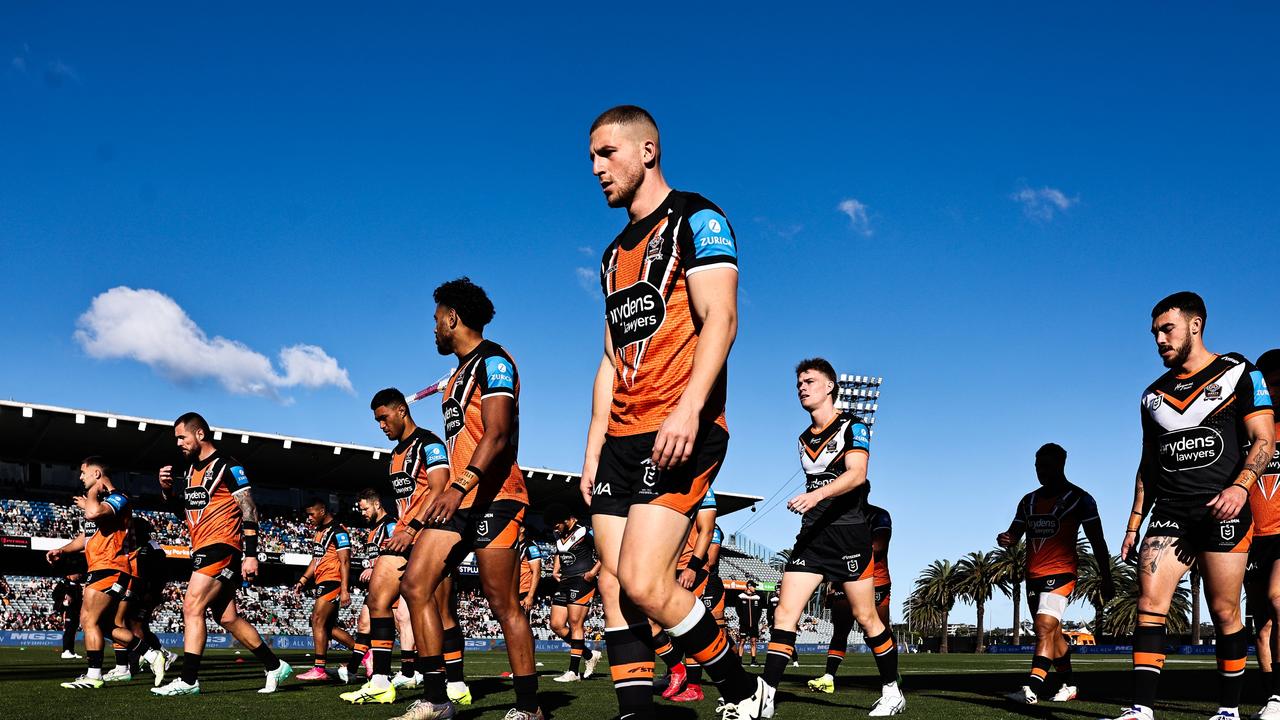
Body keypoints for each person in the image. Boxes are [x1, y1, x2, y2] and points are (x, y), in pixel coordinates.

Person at [582, 104, 765, 720]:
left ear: (648, 152)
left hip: (681, 428)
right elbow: (610, 361)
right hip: (621, 440)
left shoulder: (698, 218)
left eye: (608, 154)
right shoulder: (611, 255)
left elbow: (723, 320)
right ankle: (637, 710)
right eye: (592, 159)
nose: (597, 169)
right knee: (613, 582)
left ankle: (744, 689)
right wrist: (592, 451)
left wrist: (689, 410)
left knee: (641, 579)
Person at [1106, 292, 1274, 720]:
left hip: (1224, 511)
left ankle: (1228, 709)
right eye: (1155, 333)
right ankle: (1141, 708)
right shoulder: (1151, 397)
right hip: (1169, 513)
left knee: (1224, 611)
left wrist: (1240, 488)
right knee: (1149, 604)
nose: (1159, 340)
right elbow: (1147, 465)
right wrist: (1132, 524)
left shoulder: (1241, 374)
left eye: (1167, 329)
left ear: (1195, 326)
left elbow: (1264, 439)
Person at [394, 278, 540, 720]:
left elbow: (496, 434)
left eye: (437, 320)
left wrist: (460, 486)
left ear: (453, 317)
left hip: (496, 496)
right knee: (415, 585)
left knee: (503, 605)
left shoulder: (494, 361)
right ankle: (437, 701)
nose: (434, 329)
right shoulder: (457, 374)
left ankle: (530, 710)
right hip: (460, 501)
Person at [763, 358, 904, 717]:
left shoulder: (854, 427)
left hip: (848, 537)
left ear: (829, 386)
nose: (802, 388)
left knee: (867, 617)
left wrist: (816, 496)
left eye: (809, 381)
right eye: (798, 384)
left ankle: (892, 690)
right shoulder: (801, 439)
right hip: (812, 536)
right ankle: (766, 696)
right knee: (785, 612)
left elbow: (857, 475)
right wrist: (813, 502)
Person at [342, 393, 471, 707]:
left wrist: (413, 526)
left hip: (432, 534)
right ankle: (380, 682)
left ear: (402, 410)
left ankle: (455, 683)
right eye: (377, 421)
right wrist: (405, 528)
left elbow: (440, 487)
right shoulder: (395, 455)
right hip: (403, 537)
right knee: (377, 598)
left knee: (443, 613)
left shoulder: (430, 444)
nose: (382, 425)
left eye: (385, 418)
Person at [152, 412, 292, 696]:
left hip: (222, 545)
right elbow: (185, 512)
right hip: (202, 546)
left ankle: (189, 679)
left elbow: (250, 509)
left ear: (200, 434)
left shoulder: (228, 466)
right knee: (227, 618)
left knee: (192, 606)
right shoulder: (191, 472)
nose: (178, 443)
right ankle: (275, 665)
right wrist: (167, 492)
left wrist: (251, 554)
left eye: (182, 436)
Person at [998, 444, 1113, 705]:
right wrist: (1007, 539)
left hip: (1061, 573)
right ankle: (1070, 684)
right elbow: (1014, 533)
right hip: (1033, 576)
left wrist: (1107, 578)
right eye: (1038, 467)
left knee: (1042, 628)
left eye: (1046, 466)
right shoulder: (1028, 501)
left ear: (1061, 465)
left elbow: (1098, 541)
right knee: (1053, 634)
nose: (1041, 472)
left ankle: (1031, 687)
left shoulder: (1081, 499)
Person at [48, 457, 150, 689]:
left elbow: (93, 514)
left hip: (111, 566)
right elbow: (87, 537)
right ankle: (152, 655)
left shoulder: (118, 497)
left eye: (84, 473)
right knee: (101, 623)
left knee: (91, 620)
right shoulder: (101, 503)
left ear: (96, 474)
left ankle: (95, 675)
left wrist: (91, 497)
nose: (80, 477)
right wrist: (62, 551)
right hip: (99, 566)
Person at [811, 500, 893, 694]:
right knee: (840, 630)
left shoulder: (879, 514)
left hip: (876, 580)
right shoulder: (839, 517)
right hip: (844, 578)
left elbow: (879, 546)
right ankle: (829, 678)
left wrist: (845, 552)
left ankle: (891, 676)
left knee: (880, 631)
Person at [1245, 349, 1280, 718]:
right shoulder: (1249, 429)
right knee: (1262, 624)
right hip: (1252, 537)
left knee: (1278, 598)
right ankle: (1272, 696)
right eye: (1269, 383)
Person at [294, 498, 356, 681]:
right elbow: (316, 559)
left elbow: (345, 561)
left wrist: (345, 589)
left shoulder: (338, 531)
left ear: (322, 511)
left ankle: (319, 668)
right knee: (328, 628)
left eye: (311, 514)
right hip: (322, 581)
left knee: (317, 619)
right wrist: (303, 580)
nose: (309, 518)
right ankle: (366, 654)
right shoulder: (319, 532)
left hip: (333, 580)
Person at [546, 505, 601, 683]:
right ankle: (589, 654)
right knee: (555, 625)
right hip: (564, 581)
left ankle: (573, 671)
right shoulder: (558, 534)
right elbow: (558, 552)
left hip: (582, 580)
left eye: (556, 524)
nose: (554, 528)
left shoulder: (585, 531)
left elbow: (605, 551)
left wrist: (593, 573)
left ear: (567, 519)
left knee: (575, 624)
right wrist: (555, 570)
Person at [119, 516, 175, 684]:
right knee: (138, 625)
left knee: (135, 624)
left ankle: (135, 664)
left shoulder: (153, 548)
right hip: (140, 591)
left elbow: (161, 575)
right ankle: (164, 654)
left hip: (147, 593)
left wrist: (152, 593)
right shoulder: (144, 546)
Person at [52, 572, 84, 660]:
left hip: (76, 610)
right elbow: (54, 595)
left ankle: (71, 651)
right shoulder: (63, 583)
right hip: (68, 610)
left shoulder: (77, 585)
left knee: (73, 631)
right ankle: (65, 651)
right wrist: (64, 597)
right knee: (69, 630)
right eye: (78, 574)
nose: (80, 576)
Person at [517, 526, 543, 617]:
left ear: (522, 529)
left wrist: (530, 596)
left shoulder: (531, 547)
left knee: (521, 626)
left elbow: (537, 572)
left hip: (523, 593)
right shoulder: (514, 545)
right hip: (512, 592)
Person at [737, 581, 763, 665]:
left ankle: (753, 660)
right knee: (742, 641)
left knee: (753, 641)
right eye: (754, 586)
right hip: (744, 624)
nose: (755, 588)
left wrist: (756, 620)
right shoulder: (740, 596)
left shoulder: (757, 597)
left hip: (754, 625)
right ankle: (739, 660)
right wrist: (743, 619)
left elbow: (759, 611)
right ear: (749, 586)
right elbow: (738, 610)